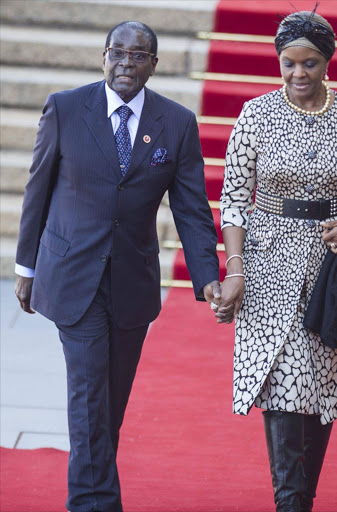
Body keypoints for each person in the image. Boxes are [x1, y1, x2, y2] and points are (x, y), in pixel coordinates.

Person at [14, 21, 220, 512]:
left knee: (110, 403)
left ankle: (92, 484)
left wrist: (208, 275)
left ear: (154, 63)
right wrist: (27, 267)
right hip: (72, 275)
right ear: (104, 57)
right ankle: (93, 503)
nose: (126, 63)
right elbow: (37, 190)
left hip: (132, 280)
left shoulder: (176, 122)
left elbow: (191, 209)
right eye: (117, 53)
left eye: (138, 55)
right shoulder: (66, 108)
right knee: (89, 396)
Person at [216, 7, 337, 512]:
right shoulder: (256, 113)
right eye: (289, 63)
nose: (298, 74)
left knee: (323, 381)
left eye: (310, 63)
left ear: (327, 62)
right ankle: (290, 502)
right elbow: (233, 197)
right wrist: (234, 267)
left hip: (335, 262)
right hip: (271, 258)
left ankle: (303, 499)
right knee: (285, 380)